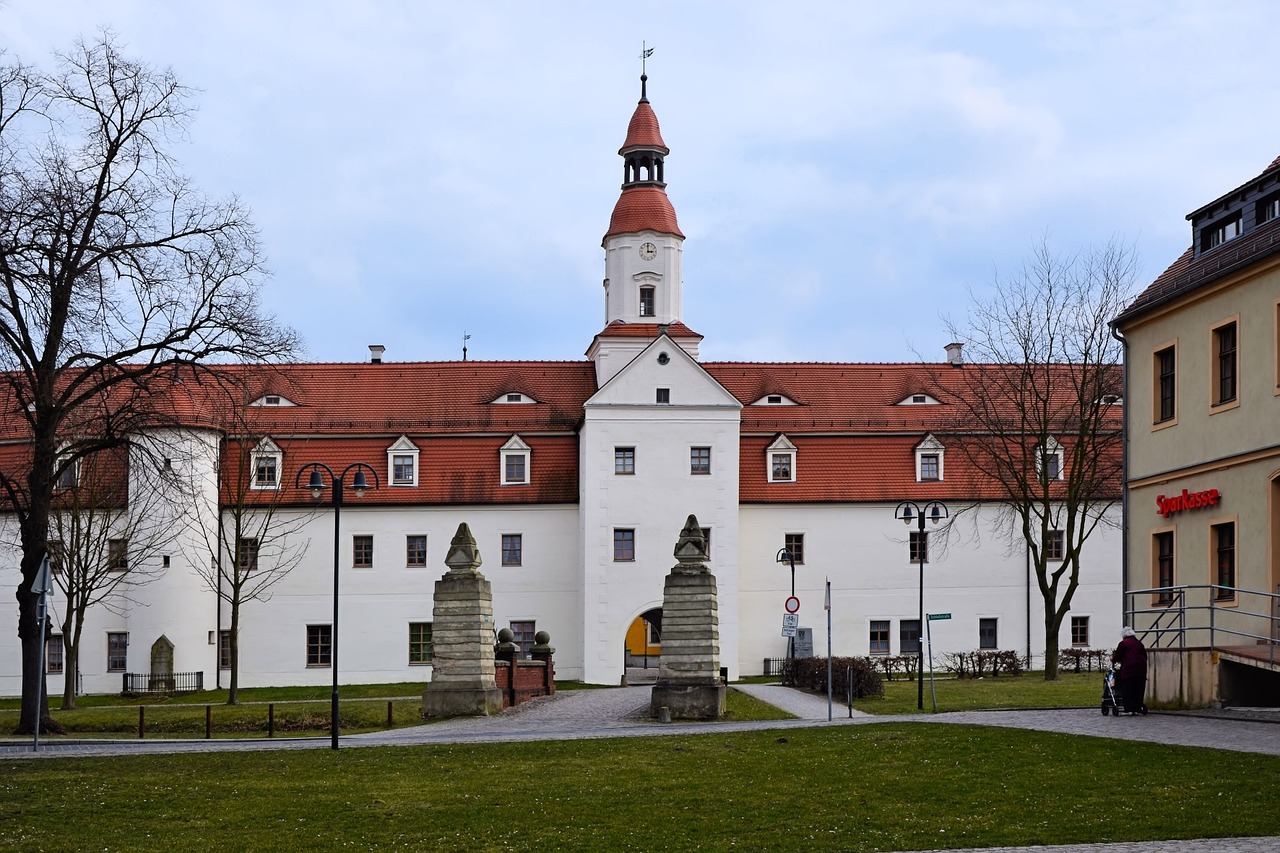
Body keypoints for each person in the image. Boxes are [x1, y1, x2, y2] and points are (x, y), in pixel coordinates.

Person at [1111, 627, 1148, 715]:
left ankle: (1129, 708)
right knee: (1139, 689)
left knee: (1128, 689)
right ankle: (1137, 707)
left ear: (1123, 635)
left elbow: (1118, 656)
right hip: (1141, 670)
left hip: (1128, 670)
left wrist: (1113, 659)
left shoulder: (1123, 643)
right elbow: (1144, 655)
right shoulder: (1139, 643)